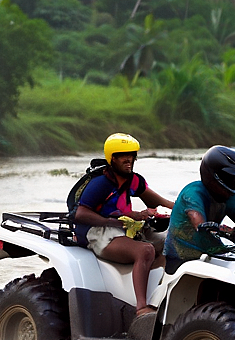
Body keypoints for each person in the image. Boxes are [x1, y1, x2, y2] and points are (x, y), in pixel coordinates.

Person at [73, 133, 175, 317]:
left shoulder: (133, 180)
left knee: (172, 244)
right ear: (112, 158)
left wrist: (181, 208)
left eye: (131, 155)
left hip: (123, 227)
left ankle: (157, 298)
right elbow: (81, 214)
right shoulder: (101, 183)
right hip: (98, 232)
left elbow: (155, 200)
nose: (129, 159)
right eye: (122, 155)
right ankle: (141, 307)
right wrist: (112, 222)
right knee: (145, 251)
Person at [164, 145, 235, 273]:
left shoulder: (228, 197)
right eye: (230, 179)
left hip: (213, 253)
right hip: (181, 259)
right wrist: (223, 230)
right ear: (212, 177)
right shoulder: (193, 193)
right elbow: (198, 222)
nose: (234, 185)